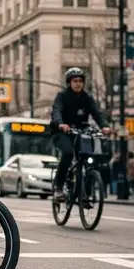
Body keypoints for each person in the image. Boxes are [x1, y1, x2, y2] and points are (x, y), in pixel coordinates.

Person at [50, 67, 111, 203]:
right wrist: (60, 124)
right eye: (75, 81)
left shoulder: (87, 98)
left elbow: (97, 113)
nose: (78, 83)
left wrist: (104, 126)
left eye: (80, 81)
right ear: (69, 83)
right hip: (62, 132)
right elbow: (57, 111)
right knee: (67, 153)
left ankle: (85, 193)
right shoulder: (62, 96)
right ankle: (59, 187)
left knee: (89, 159)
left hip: (81, 132)